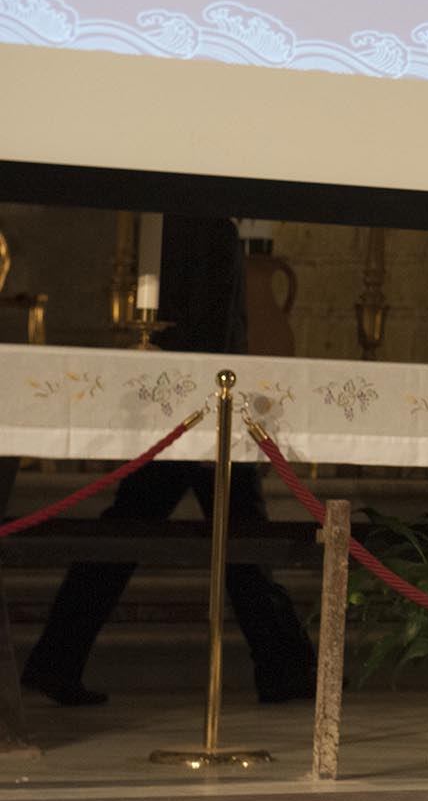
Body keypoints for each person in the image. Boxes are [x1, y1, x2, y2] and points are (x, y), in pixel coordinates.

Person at [20, 216, 317, 706]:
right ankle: (284, 665)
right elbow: (211, 329)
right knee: (228, 533)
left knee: (215, 532)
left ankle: (57, 658)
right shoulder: (205, 227)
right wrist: (211, 412)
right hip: (200, 411)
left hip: (196, 408)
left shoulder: (195, 224)